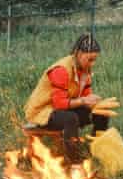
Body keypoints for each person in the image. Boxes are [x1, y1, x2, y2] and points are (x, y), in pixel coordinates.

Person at [24, 33, 107, 163]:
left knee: (101, 113)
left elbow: (85, 95)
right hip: (44, 111)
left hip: (63, 108)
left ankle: (97, 150)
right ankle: (74, 160)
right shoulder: (61, 70)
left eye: (95, 59)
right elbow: (58, 104)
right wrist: (83, 101)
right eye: (90, 59)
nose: (93, 63)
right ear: (78, 54)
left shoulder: (85, 69)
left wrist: (93, 102)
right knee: (70, 119)